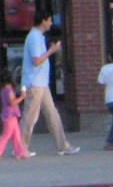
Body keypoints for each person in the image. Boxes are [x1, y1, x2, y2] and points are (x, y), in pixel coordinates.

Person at [19, 11, 80, 155]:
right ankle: (21, 147)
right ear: (43, 21)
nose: (51, 23)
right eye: (49, 20)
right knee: (30, 116)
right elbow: (36, 61)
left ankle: (62, 145)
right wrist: (51, 51)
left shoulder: (39, 36)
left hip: (41, 83)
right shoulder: (34, 37)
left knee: (52, 113)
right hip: (34, 83)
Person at [0, 70, 31, 160]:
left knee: (16, 135)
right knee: (7, 134)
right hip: (10, 115)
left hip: (8, 115)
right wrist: (22, 97)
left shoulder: (3, 90)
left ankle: (20, 152)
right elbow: (13, 102)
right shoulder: (9, 90)